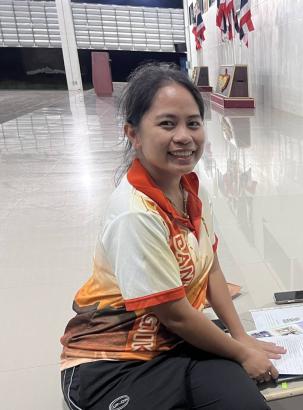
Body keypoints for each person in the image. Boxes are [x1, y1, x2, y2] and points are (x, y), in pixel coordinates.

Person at [60, 63, 285, 410]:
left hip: (178, 341)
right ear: (133, 134)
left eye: (193, 123)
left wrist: (241, 337)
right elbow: (175, 314)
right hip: (113, 360)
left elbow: (211, 269)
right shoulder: (136, 213)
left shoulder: (191, 189)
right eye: (167, 124)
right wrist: (241, 353)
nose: (184, 136)